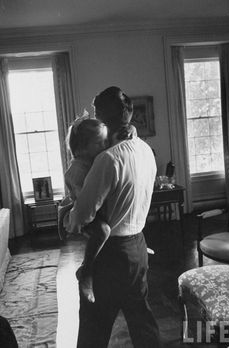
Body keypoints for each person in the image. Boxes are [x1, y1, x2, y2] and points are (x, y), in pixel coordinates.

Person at [70, 86, 162, 348]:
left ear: (103, 117)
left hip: (110, 256)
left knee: (93, 327)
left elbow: (84, 216)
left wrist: (70, 217)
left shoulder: (107, 160)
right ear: (129, 115)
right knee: (143, 324)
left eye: (98, 114)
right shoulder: (146, 151)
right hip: (138, 248)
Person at [65, 116, 111, 303]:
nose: (104, 146)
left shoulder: (94, 159)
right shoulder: (77, 168)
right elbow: (85, 201)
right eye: (99, 142)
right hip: (84, 213)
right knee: (103, 230)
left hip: (95, 210)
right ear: (83, 146)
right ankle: (87, 271)